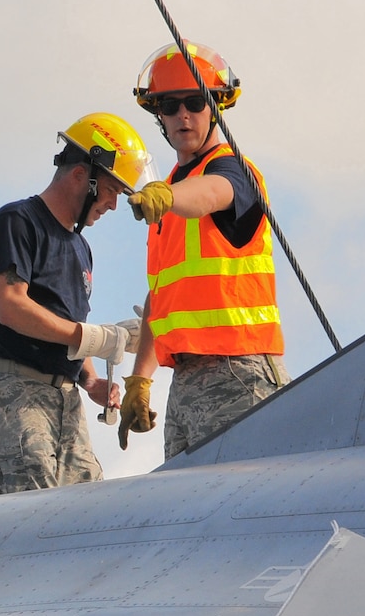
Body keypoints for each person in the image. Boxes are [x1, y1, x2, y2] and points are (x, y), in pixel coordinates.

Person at [119, 41, 287, 459]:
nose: (183, 115)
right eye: (169, 106)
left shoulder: (232, 170)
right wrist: (140, 379)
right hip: (186, 382)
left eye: (195, 101)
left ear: (216, 106)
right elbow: (163, 295)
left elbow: (213, 192)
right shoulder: (173, 188)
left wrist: (168, 195)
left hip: (239, 373)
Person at [0, 114, 147, 498]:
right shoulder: (18, 222)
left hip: (65, 402)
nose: (113, 205)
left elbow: (67, 325)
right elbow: (11, 306)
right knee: (24, 523)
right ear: (82, 175)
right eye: (112, 190)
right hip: (13, 398)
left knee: (84, 518)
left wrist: (92, 380)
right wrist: (94, 338)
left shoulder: (81, 249)